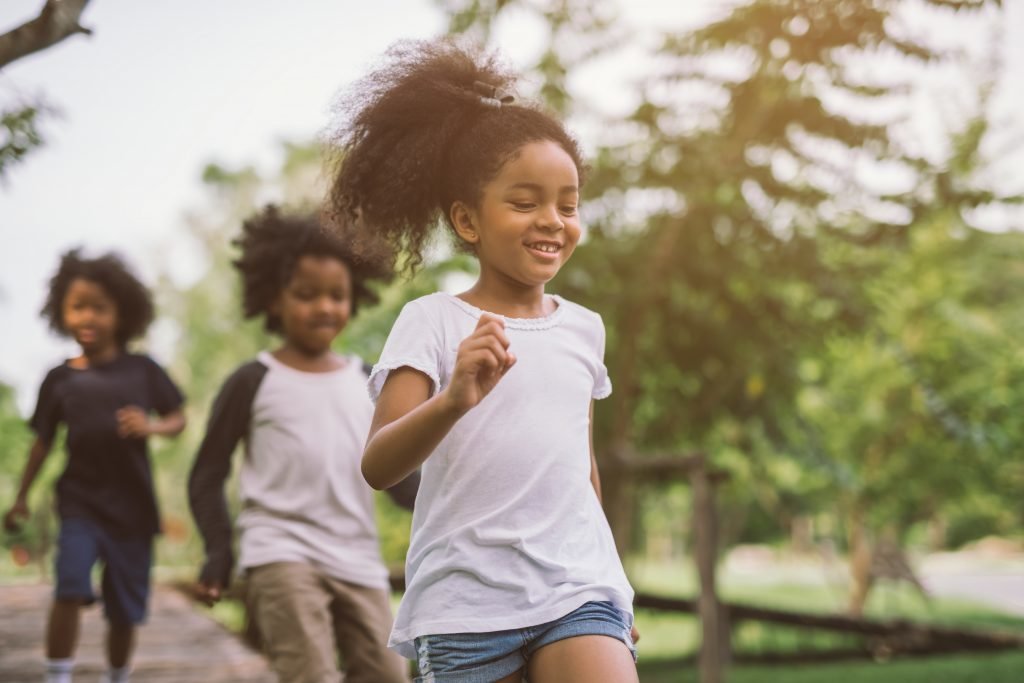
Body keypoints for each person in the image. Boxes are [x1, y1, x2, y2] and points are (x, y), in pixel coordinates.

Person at [326, 39, 639, 683]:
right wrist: (453, 400)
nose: (552, 220)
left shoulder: (585, 329)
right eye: (525, 203)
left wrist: (612, 582)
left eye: (568, 204)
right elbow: (379, 465)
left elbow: (581, 471)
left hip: (576, 590)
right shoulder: (432, 321)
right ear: (468, 221)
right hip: (465, 607)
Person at [187, 206, 416, 683]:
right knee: (309, 673)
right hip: (279, 551)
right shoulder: (253, 380)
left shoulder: (368, 382)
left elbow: (397, 478)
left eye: (337, 295)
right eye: (306, 295)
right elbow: (207, 473)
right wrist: (218, 549)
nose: (324, 307)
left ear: (354, 298)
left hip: (357, 556)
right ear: (274, 299)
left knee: (390, 674)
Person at [3, 249, 186, 683]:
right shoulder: (59, 379)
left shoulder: (143, 370)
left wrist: (151, 427)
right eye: (77, 306)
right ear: (60, 312)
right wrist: (22, 497)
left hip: (133, 506)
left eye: (99, 307)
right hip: (79, 501)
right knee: (69, 584)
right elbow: (43, 443)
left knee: (124, 608)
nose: (88, 317)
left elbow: (178, 418)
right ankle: (58, 676)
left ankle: (117, 675)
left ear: (121, 313)